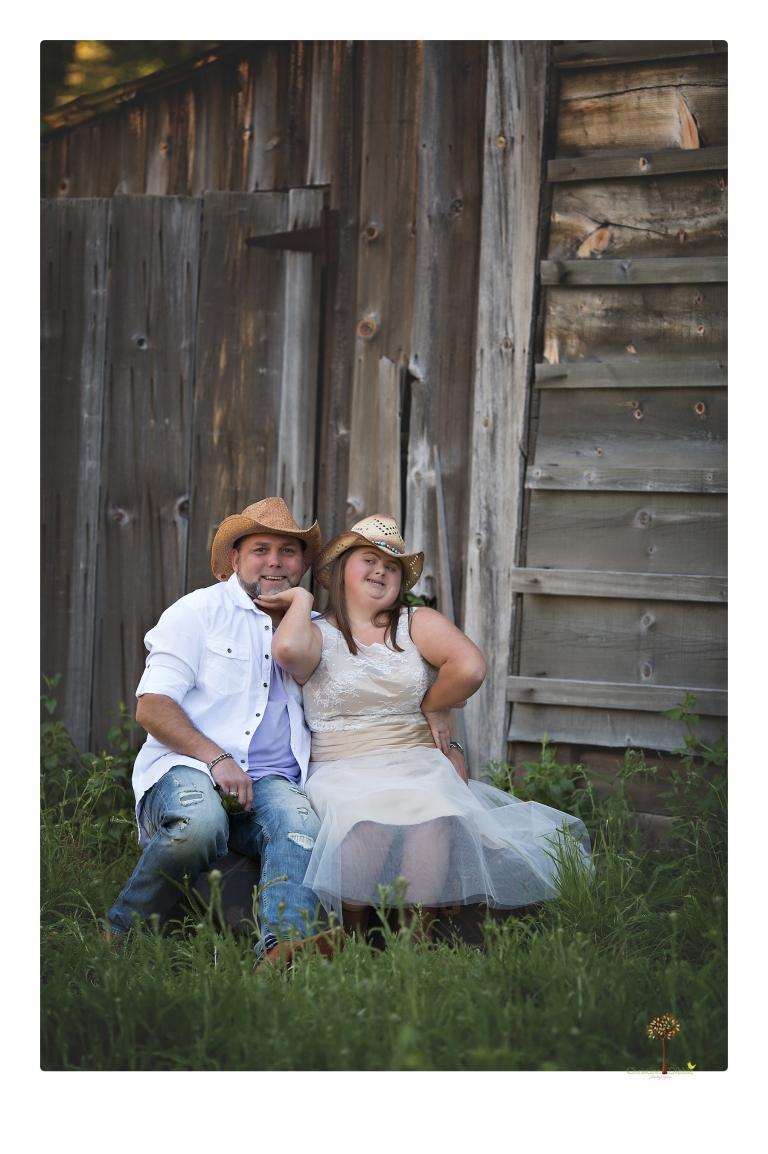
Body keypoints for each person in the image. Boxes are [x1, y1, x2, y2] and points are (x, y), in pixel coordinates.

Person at [260, 514, 591, 938]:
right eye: (369, 559)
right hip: (342, 765)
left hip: (416, 759)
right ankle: (353, 939)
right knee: (364, 819)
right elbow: (286, 650)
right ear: (341, 570)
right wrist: (303, 601)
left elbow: (470, 667)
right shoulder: (315, 633)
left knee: (435, 811)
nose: (381, 569)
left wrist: (436, 705)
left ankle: (413, 943)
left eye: (392, 566)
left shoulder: (415, 623)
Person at [105, 497, 337, 967]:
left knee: (301, 828)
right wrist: (217, 758)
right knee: (198, 825)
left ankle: (282, 958)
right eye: (261, 549)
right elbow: (152, 706)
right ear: (235, 559)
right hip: (190, 769)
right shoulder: (197, 613)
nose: (275, 561)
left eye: (288, 551)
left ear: (303, 564)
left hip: (272, 782)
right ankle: (120, 935)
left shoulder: (312, 629)